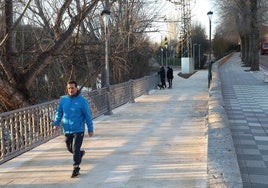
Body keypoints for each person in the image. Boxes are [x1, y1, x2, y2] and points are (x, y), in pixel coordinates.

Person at [53, 80, 94, 178]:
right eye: (69, 88)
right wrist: (56, 123)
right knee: (69, 148)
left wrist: (90, 129)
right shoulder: (63, 100)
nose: (71, 90)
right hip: (67, 129)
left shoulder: (82, 101)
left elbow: (87, 115)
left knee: (75, 148)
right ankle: (80, 153)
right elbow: (59, 113)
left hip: (79, 129)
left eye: (72, 88)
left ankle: (76, 168)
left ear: (76, 88)